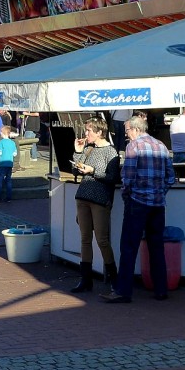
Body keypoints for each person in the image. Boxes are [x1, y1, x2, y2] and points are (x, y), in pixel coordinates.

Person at [104, 115, 175, 303]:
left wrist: (128, 195)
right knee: (156, 247)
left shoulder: (133, 146)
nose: (126, 134)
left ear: (135, 129)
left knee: (128, 247)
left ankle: (123, 291)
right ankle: (161, 289)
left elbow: (127, 177)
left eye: (127, 130)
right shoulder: (161, 145)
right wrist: (160, 192)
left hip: (138, 202)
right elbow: (170, 176)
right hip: (158, 204)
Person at [68, 118, 120, 293]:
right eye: (86, 130)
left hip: (99, 199)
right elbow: (75, 170)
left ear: (99, 132)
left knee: (102, 240)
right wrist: (77, 152)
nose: (86, 134)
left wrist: (93, 171)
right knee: (85, 239)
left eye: (89, 131)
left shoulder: (110, 152)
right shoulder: (89, 149)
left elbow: (112, 178)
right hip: (83, 197)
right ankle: (86, 280)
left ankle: (114, 280)